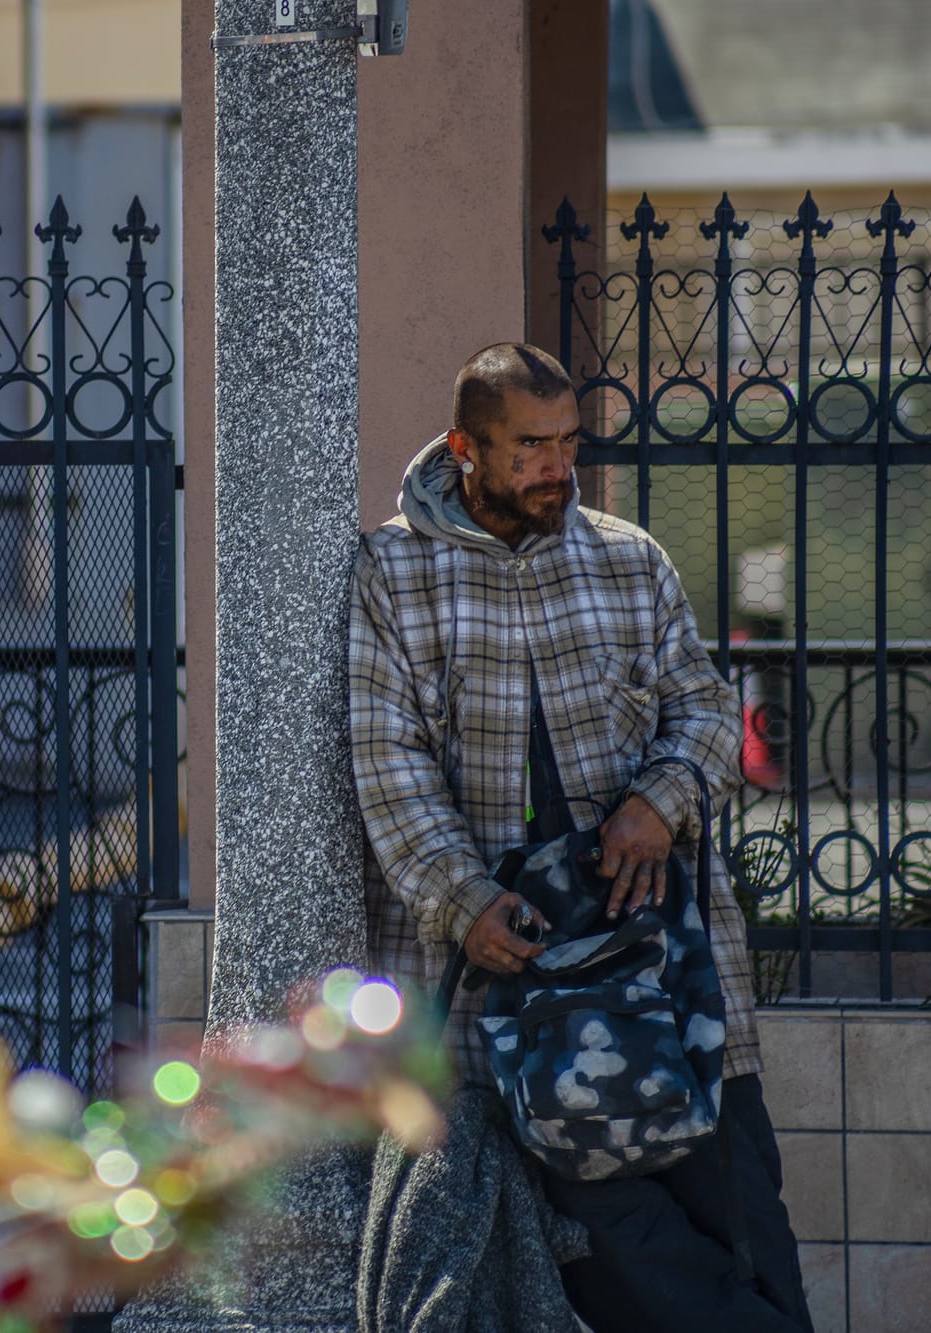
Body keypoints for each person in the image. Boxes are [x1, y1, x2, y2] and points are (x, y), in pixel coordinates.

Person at [347, 342, 812, 1331]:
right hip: (504, 993)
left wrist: (660, 795)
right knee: (605, 1255)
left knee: (740, 1225)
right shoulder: (391, 571)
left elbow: (700, 709)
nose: (556, 466)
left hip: (665, 974)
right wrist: (460, 898)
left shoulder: (626, 556)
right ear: (462, 448)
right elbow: (383, 759)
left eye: (566, 442)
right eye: (529, 447)